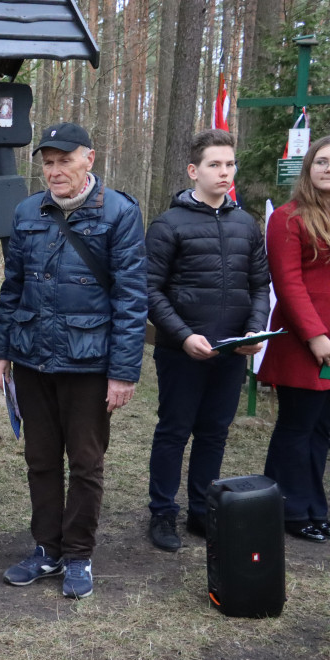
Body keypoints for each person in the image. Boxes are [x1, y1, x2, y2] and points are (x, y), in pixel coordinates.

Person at [0, 122, 147, 599]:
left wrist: (123, 371)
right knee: (40, 459)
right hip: (33, 357)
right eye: (48, 163)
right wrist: (0, 350)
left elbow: (131, 298)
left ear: (89, 160)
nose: (55, 171)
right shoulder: (26, 211)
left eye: (64, 161)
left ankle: (78, 554)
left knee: (84, 462)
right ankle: (46, 549)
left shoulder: (119, 213)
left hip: (90, 363)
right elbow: (12, 287)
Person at [145, 129, 270, 551]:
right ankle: (162, 513)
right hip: (183, 352)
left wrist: (255, 330)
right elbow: (150, 290)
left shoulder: (245, 224)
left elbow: (259, 285)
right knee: (174, 431)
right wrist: (182, 337)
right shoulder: (169, 224)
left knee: (215, 432)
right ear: (193, 170)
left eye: (229, 164)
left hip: (231, 350)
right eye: (215, 164)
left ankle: (201, 510)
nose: (224, 172)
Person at [258, 135, 330, 543]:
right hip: (303, 340)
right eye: (321, 161)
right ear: (308, 168)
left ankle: (314, 507)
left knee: (322, 430)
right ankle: (286, 509)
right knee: (296, 427)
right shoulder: (288, 217)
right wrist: (316, 336)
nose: (327, 169)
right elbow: (288, 284)